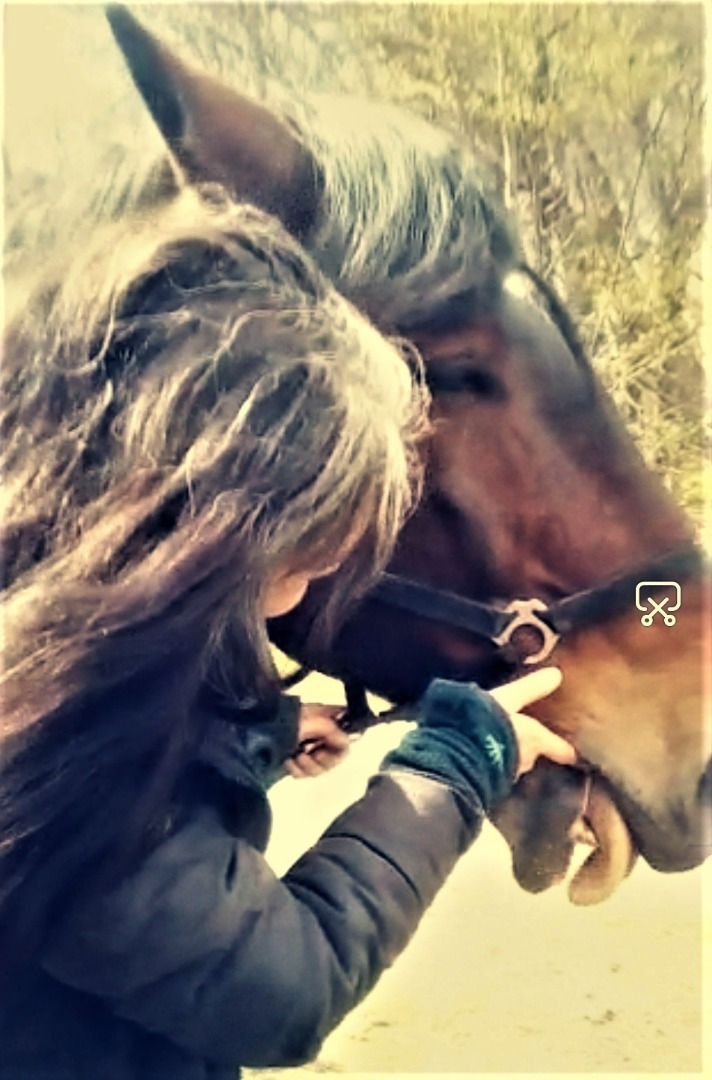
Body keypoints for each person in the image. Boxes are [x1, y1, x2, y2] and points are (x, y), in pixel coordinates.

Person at [0, 188, 575, 1080]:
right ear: (192, 529)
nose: (318, 577)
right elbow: (279, 995)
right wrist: (456, 764)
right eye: (307, 545)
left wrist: (253, 738)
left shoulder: (46, 670)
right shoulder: (49, 755)